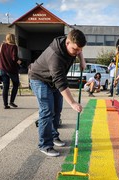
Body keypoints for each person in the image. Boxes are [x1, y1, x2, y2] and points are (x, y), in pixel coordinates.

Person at [29, 29, 86, 157]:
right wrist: (72, 103)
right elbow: (60, 82)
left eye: (80, 49)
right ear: (67, 43)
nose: (77, 52)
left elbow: (79, 48)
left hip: (52, 80)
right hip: (40, 79)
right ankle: (45, 145)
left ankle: (54, 136)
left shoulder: (74, 45)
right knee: (47, 111)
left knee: (57, 109)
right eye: (75, 49)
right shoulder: (55, 55)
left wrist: (82, 60)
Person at [0, 33, 21, 109]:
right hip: (12, 69)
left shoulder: (1, 46)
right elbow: (14, 58)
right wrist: (18, 61)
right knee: (15, 84)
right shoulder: (14, 47)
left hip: (3, 69)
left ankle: (5, 104)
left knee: (6, 86)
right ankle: (11, 101)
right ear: (13, 38)